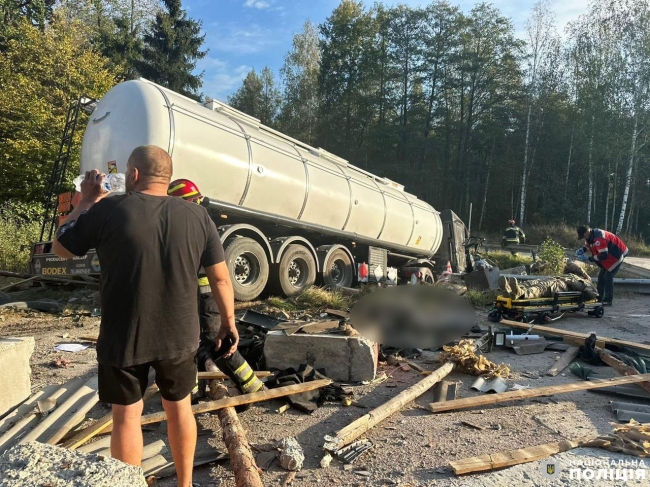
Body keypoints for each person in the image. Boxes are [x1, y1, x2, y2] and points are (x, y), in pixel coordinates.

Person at [52, 145, 238, 487]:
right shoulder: (198, 216)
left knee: (126, 417)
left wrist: (87, 200)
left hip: (125, 335)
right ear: (166, 177)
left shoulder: (109, 208)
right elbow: (221, 278)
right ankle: (184, 484)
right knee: (179, 408)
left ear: (133, 174)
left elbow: (60, 247)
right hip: (180, 336)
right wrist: (229, 322)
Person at [577, 225, 628, 306]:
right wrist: (583, 249)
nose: (584, 238)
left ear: (587, 232)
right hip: (609, 256)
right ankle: (599, 298)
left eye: (583, 236)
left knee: (608, 276)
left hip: (617, 255)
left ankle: (608, 300)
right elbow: (590, 245)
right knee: (601, 277)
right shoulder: (590, 236)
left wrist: (591, 258)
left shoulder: (599, 237)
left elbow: (603, 255)